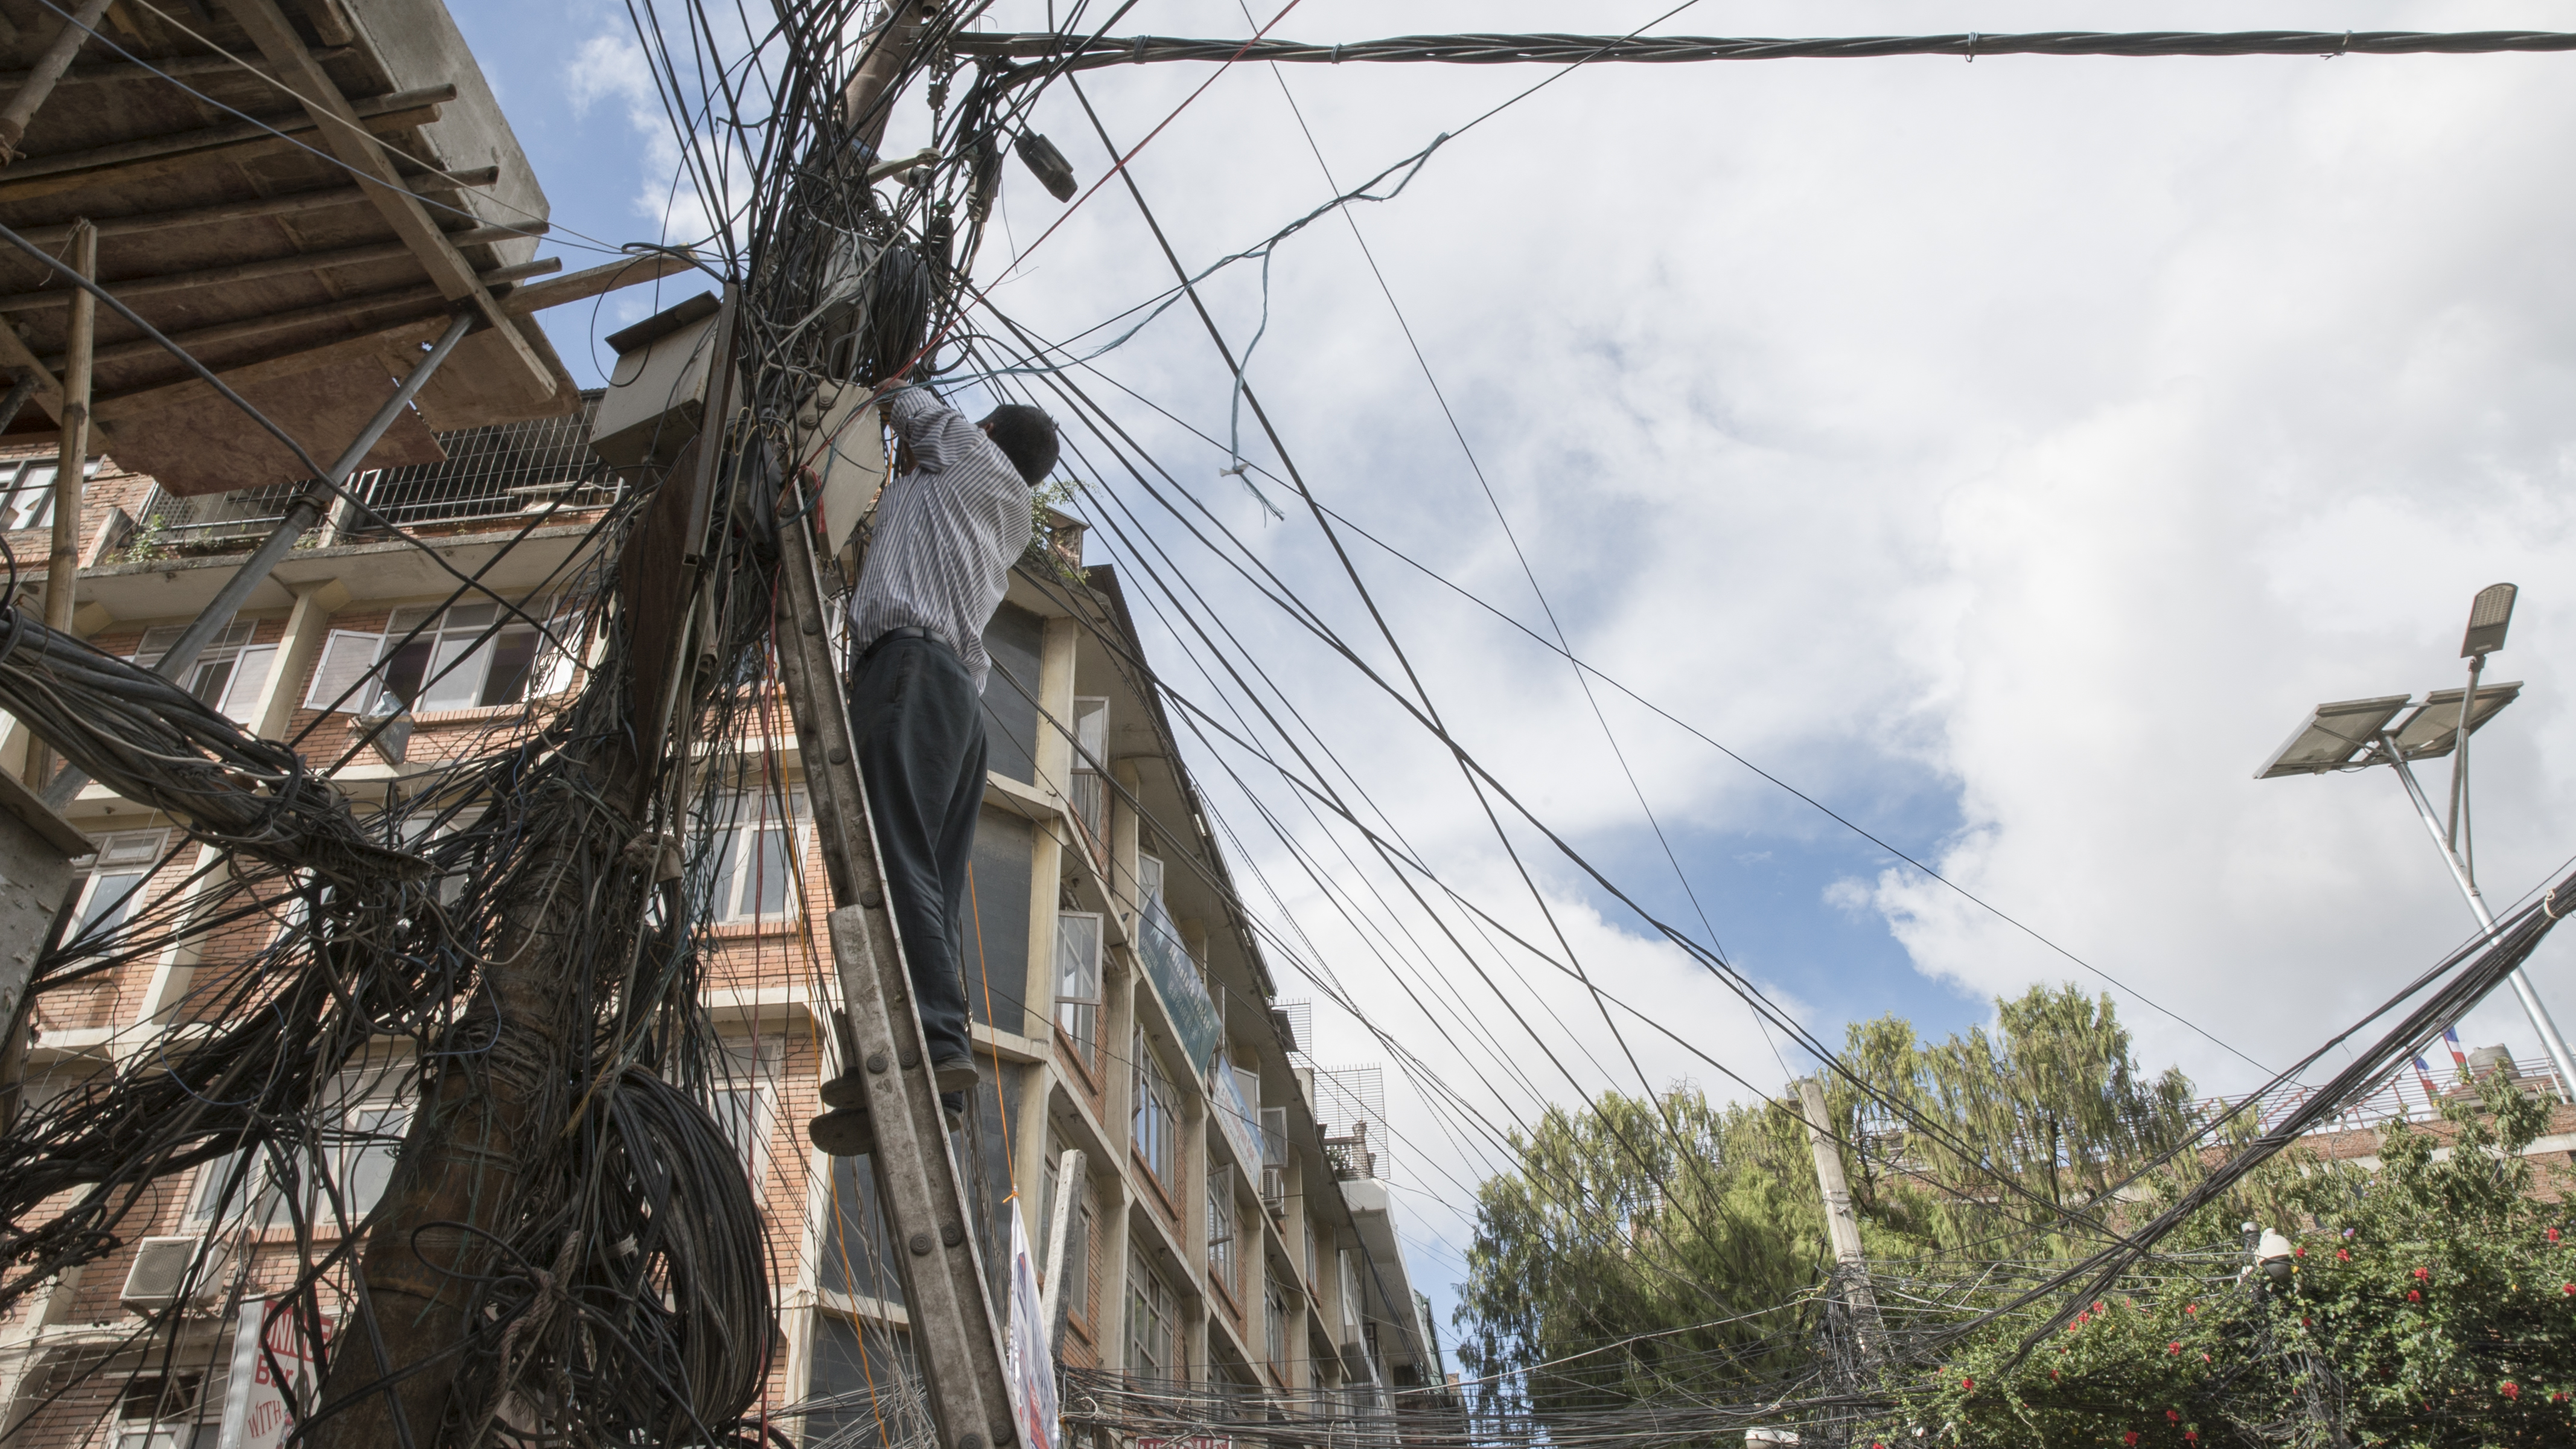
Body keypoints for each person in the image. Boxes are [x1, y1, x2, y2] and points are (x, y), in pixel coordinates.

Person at [829, 379, 1057, 1136]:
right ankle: (932, 1076)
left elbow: (905, 401)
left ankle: (929, 1037)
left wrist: (886, 374)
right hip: (953, 701)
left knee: (885, 861)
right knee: (920, 883)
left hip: (912, 675)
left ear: (987, 430)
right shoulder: (998, 509)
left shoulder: (967, 453)